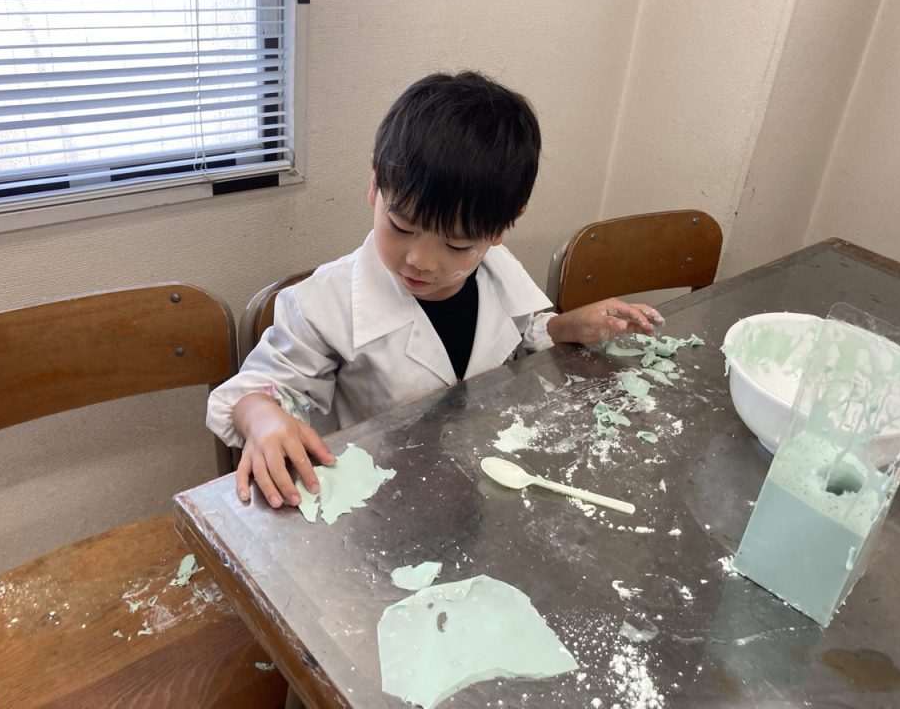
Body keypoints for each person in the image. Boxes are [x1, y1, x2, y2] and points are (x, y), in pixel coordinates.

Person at [207, 71, 664, 509]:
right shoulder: (322, 304)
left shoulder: (498, 269)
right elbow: (254, 392)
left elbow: (521, 335)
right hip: (374, 499)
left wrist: (564, 327)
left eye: (457, 245)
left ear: (502, 228)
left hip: (476, 477)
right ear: (375, 186)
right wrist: (262, 417)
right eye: (402, 227)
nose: (421, 261)